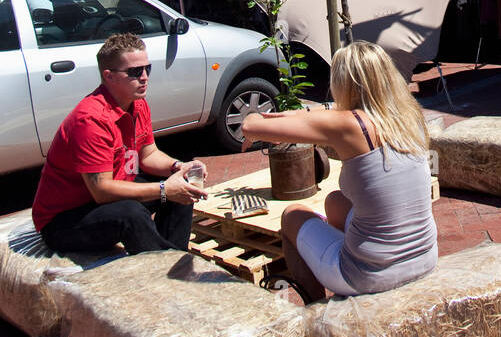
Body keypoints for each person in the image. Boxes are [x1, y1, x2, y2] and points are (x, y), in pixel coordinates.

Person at [241, 40, 438, 303]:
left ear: (344, 83)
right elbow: (325, 113)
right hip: (424, 258)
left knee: (292, 215)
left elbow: (250, 125)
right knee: (334, 202)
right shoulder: (406, 114)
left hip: (368, 275)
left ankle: (313, 309)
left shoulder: (351, 125)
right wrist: (295, 116)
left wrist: (257, 123)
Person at [32, 33, 208, 254]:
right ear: (109, 76)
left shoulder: (137, 104)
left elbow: (148, 155)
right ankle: (160, 272)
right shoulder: (90, 120)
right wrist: (164, 189)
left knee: (181, 184)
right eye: (135, 72)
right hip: (63, 221)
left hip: (103, 200)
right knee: (131, 214)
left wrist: (179, 167)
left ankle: (174, 256)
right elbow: (101, 191)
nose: (144, 77)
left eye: (147, 69)